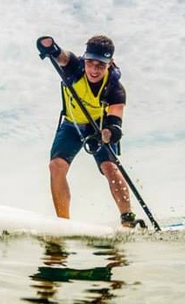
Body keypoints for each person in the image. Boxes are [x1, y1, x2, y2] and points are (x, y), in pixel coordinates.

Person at [36, 35, 140, 228]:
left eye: (100, 65)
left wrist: (106, 135)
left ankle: (127, 220)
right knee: (55, 166)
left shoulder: (115, 88)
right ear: (85, 59)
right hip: (72, 125)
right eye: (90, 63)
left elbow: (115, 125)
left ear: (110, 64)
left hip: (99, 127)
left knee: (109, 167)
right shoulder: (74, 66)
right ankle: (63, 224)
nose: (94, 70)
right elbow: (61, 55)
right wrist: (49, 46)